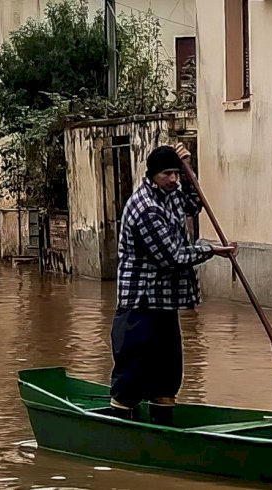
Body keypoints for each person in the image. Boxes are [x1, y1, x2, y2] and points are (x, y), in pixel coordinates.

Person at [110, 143, 237, 425]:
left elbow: (195, 203)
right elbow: (172, 256)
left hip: (165, 302)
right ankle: (120, 427)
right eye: (168, 174)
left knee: (168, 374)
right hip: (139, 303)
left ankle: (163, 426)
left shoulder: (173, 193)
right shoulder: (145, 208)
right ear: (153, 174)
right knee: (132, 374)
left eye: (176, 174)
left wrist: (190, 169)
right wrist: (212, 250)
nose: (173, 179)